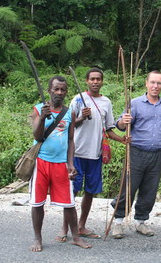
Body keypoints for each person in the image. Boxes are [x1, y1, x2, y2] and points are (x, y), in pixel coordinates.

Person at [56, 68, 128, 243]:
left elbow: (109, 128)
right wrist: (81, 117)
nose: (95, 82)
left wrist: (123, 140)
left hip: (95, 154)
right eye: (92, 79)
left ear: (102, 81)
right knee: (72, 192)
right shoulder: (78, 100)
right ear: (87, 81)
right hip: (77, 153)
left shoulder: (106, 102)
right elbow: (66, 125)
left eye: (98, 79)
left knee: (90, 191)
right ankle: (64, 229)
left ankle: (81, 226)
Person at [111, 70, 161, 238]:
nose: (155, 86)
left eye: (159, 83)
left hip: (157, 154)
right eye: (152, 82)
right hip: (136, 153)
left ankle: (141, 221)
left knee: (150, 190)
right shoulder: (135, 103)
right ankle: (118, 222)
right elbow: (120, 125)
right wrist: (123, 122)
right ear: (146, 83)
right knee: (128, 188)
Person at [29, 75, 90, 252]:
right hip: (41, 162)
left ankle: (76, 237)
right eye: (56, 89)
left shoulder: (69, 112)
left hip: (61, 164)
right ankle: (37, 238)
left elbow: (71, 140)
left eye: (63, 89)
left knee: (69, 203)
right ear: (49, 90)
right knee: (37, 203)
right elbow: (37, 136)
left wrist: (71, 163)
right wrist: (42, 118)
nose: (59, 92)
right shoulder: (39, 109)